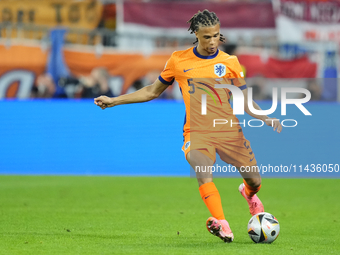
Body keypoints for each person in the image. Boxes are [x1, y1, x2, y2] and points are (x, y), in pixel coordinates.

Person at [94, 9, 282, 243]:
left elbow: (244, 98)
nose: (212, 41)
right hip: (197, 131)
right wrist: (114, 100)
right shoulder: (178, 61)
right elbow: (152, 91)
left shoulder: (230, 62)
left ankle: (248, 194)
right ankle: (222, 223)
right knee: (203, 170)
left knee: (254, 180)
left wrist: (265, 117)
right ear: (195, 34)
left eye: (216, 35)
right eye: (206, 37)